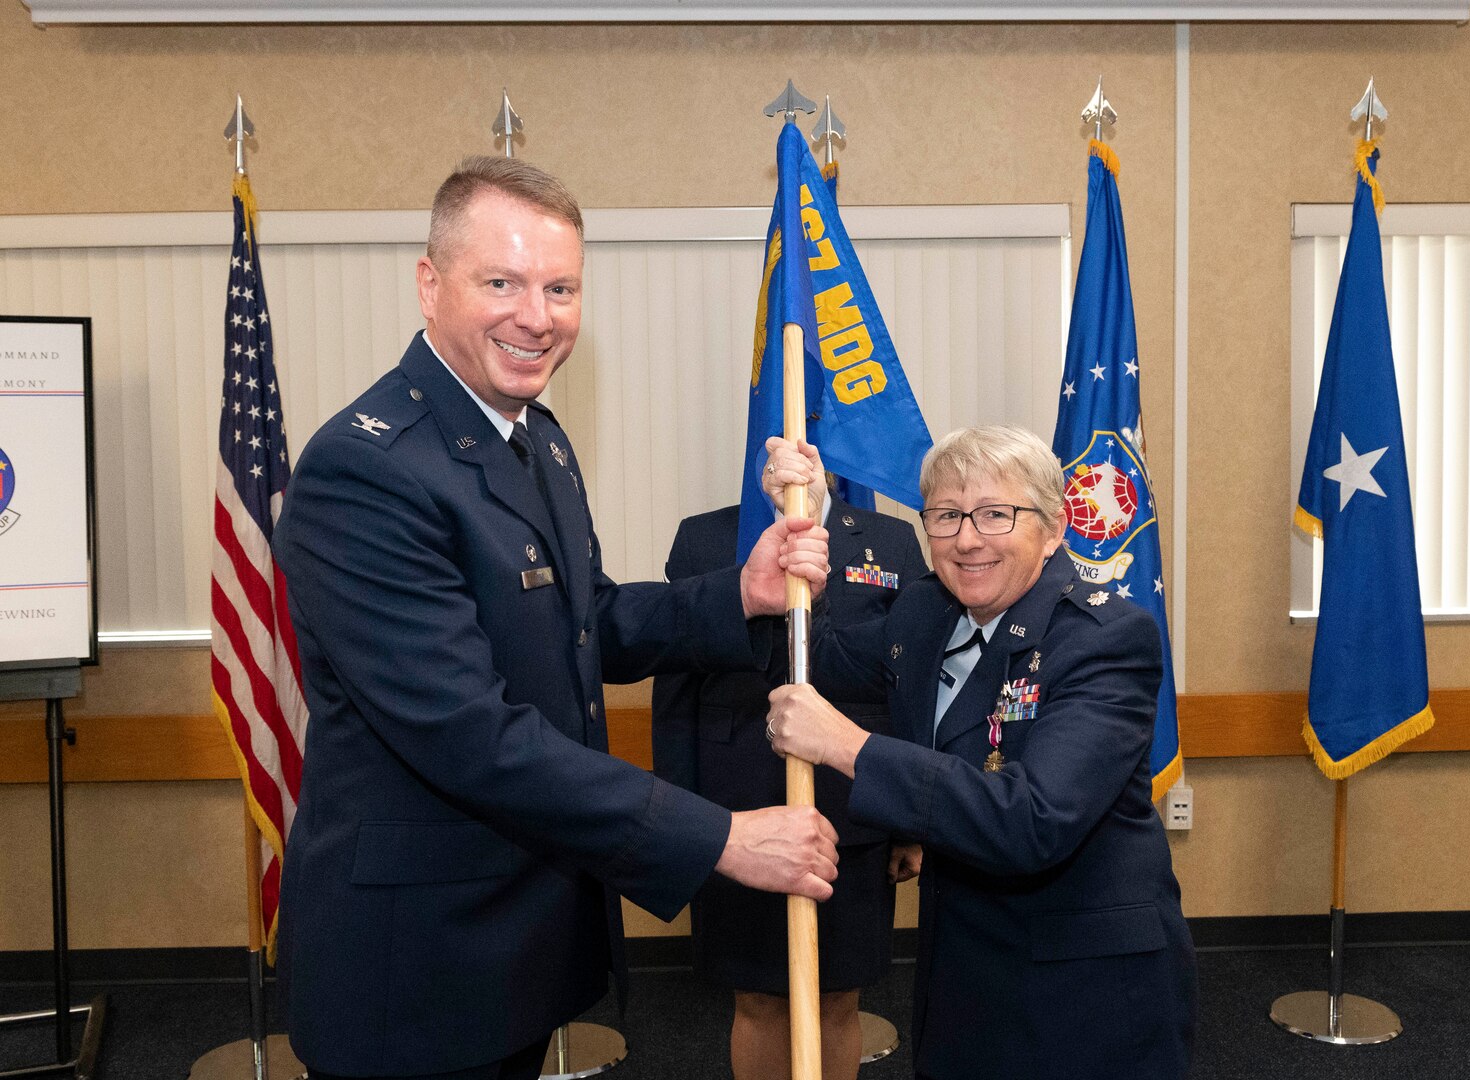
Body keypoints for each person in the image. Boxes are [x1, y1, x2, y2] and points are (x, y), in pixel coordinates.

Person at [271, 155, 840, 1080]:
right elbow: (469, 735)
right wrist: (723, 838)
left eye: (560, 286)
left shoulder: (532, 435)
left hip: (514, 942)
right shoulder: (366, 471)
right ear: (429, 284)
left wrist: (741, 593)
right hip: (413, 966)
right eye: (500, 281)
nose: (536, 316)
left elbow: (584, 623)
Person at [764, 426, 1197, 1080]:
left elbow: (1030, 821)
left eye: (996, 514)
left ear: (1053, 529)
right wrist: (804, 527)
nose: (966, 539)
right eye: (944, 516)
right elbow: (818, 661)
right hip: (963, 967)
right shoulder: (926, 613)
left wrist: (849, 746)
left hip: (1083, 991)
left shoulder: (1104, 639)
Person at [652, 453, 927, 1080]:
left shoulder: (889, 539)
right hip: (737, 809)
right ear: (760, 462)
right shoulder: (705, 539)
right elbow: (677, 691)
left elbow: (908, 686)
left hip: (852, 810)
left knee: (839, 994)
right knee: (755, 998)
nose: (794, 461)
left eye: (806, 448)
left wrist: (910, 821)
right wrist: (677, 819)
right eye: (777, 449)